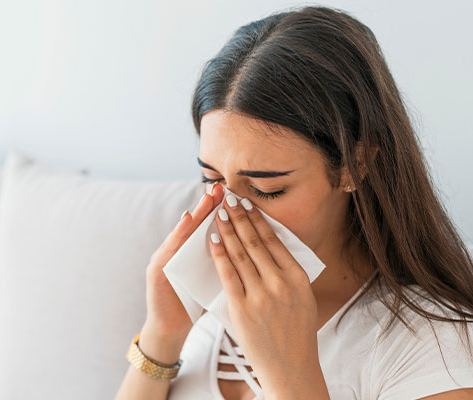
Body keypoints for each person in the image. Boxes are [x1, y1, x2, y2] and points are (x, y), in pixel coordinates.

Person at [115, 5, 473, 400]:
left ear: (354, 166)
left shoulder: (434, 345)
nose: (229, 212)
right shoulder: (206, 305)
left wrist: (289, 374)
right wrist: (161, 335)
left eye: (268, 189)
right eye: (212, 179)